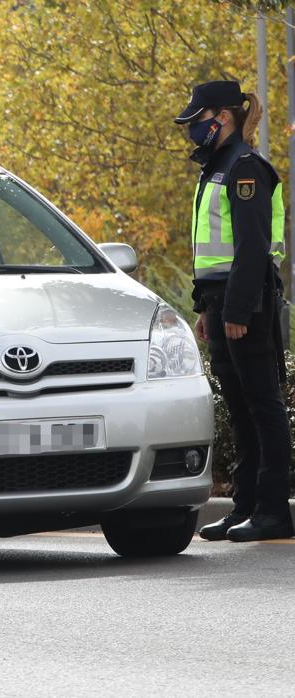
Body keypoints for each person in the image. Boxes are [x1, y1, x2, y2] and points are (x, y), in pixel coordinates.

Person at [174, 81, 293, 542]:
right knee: (241, 409)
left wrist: (239, 309)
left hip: (248, 305)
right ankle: (244, 507)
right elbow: (211, 255)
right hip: (223, 304)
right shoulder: (216, 168)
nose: (193, 129)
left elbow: (252, 248)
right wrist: (207, 307)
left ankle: (272, 510)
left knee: (264, 407)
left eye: (197, 120)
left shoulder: (246, 168)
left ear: (221, 116)